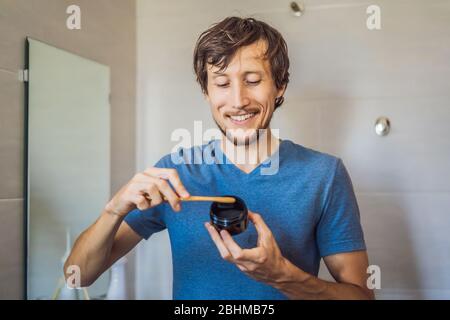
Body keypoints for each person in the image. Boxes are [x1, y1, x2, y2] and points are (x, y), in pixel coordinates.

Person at [65, 16, 374, 300]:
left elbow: (362, 297)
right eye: (223, 84)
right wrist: (113, 210)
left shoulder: (324, 175)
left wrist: (285, 277)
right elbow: (77, 276)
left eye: (253, 80)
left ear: (280, 86)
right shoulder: (174, 173)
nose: (238, 101)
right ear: (207, 92)